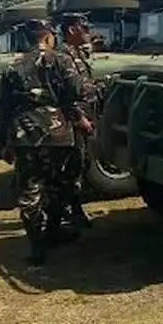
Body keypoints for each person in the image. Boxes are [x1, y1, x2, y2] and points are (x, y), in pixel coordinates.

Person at [0, 18, 94, 267]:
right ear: (48, 36)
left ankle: (36, 246)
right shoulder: (60, 59)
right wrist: (80, 116)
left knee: (30, 189)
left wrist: (5, 142)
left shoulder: (12, 65)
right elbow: (76, 93)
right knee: (58, 185)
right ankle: (52, 231)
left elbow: (4, 107)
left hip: (25, 134)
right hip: (57, 132)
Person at [57, 12, 102, 230]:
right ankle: (70, 212)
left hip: (84, 116)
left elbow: (85, 84)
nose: (88, 32)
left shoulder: (75, 54)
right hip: (73, 122)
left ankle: (73, 209)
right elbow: (66, 95)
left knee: (81, 164)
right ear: (72, 30)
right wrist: (79, 117)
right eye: (84, 28)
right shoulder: (63, 56)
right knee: (71, 167)